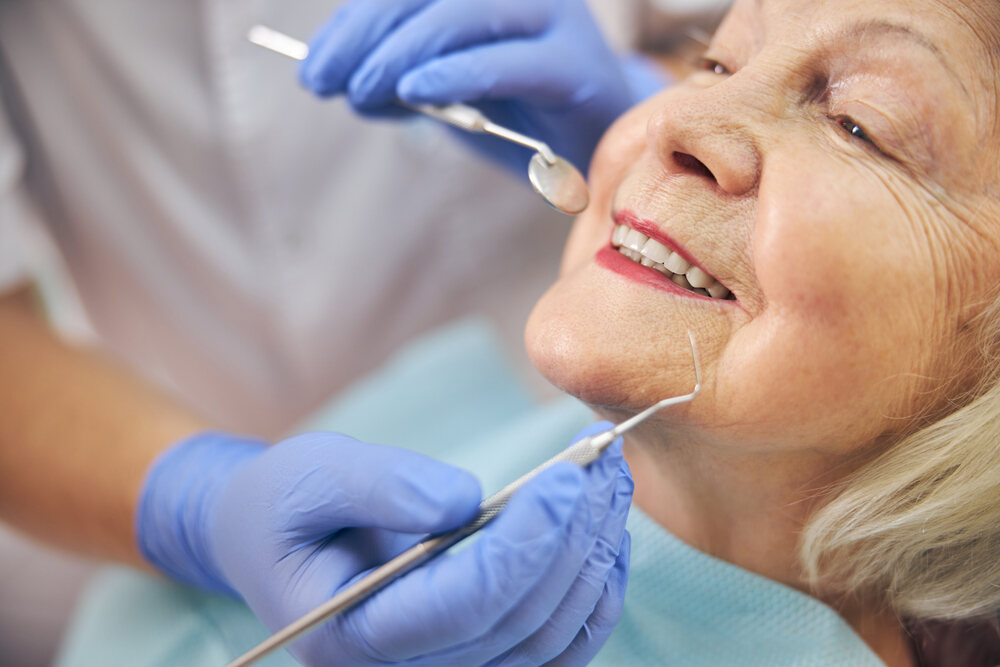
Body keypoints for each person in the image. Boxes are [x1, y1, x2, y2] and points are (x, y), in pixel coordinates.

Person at [57, 0, 1000, 664]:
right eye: (713, 57)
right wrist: (192, 507)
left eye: (857, 124)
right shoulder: (464, 411)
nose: (676, 116)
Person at [0, 0, 677, 664]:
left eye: (720, 69)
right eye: (717, 71)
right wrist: (194, 505)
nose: (703, 130)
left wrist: (637, 104)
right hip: (125, 455)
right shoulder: (157, 641)